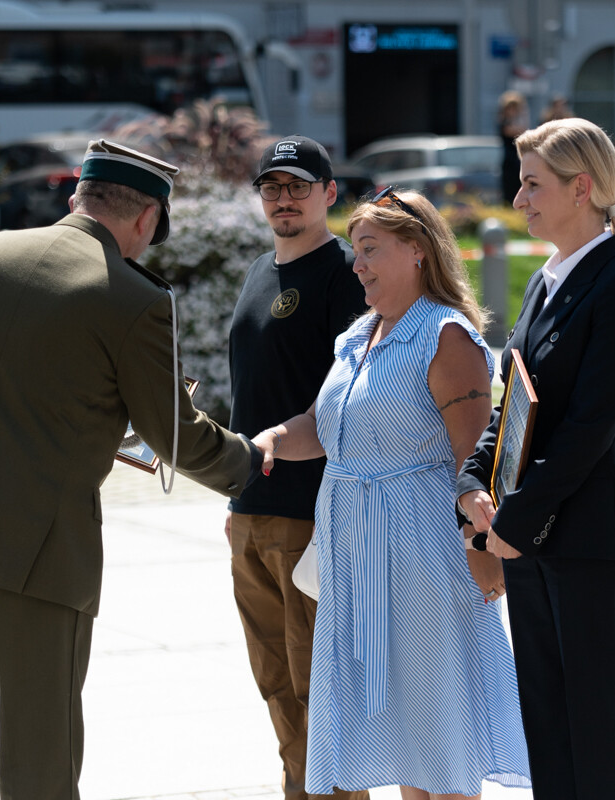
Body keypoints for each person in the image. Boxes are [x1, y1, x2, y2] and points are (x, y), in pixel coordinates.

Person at [0, 139, 269, 800]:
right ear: (146, 220)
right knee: (37, 758)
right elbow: (174, 437)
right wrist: (252, 461)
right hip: (37, 546)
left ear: (80, 195)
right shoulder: (134, 299)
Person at [253, 188, 531, 798]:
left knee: (438, 741)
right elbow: (327, 428)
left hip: (424, 560)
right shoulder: (358, 335)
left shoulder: (446, 336)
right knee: (403, 744)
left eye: (372, 250)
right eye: (356, 251)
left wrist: (481, 546)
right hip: (355, 556)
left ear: (418, 252)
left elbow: (478, 455)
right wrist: (273, 438)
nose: (357, 264)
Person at [457, 118, 615, 799]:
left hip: (586, 545)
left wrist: (512, 520)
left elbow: (587, 430)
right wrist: (471, 485)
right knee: (546, 724)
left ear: (582, 188)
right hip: (535, 542)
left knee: (594, 734)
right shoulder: (548, 282)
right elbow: (513, 402)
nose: (520, 201)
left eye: (533, 185)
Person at [225, 134, 368, 800]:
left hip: (312, 515)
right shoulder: (260, 271)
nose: (284, 200)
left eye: (299, 187)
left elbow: (354, 394)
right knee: (275, 687)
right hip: (250, 511)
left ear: (329, 194)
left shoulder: (345, 274)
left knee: (322, 689)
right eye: (272, 188)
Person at [498, 91, 529, 206]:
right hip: (509, 160)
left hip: (518, 159)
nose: (513, 111)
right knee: (509, 192)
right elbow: (516, 131)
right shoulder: (504, 121)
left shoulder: (517, 120)